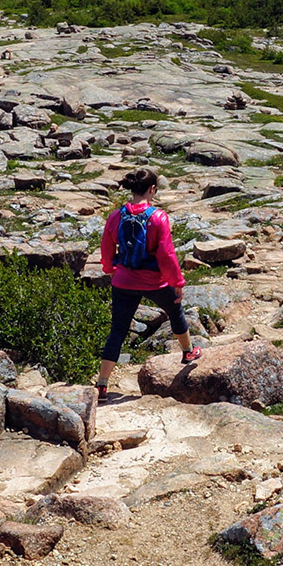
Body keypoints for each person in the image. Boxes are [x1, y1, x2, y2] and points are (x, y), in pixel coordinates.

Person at [96, 167, 199, 397]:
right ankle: (188, 352)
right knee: (175, 311)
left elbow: (106, 247)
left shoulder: (115, 215)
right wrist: (177, 282)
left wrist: (110, 269)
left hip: (123, 281)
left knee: (118, 331)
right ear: (152, 189)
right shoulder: (158, 217)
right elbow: (166, 254)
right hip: (155, 282)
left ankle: (102, 383)